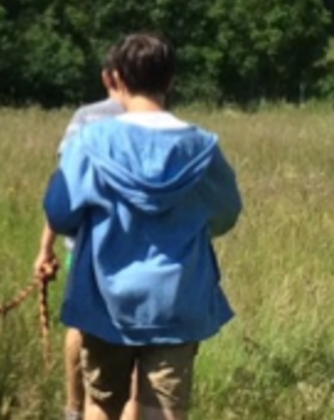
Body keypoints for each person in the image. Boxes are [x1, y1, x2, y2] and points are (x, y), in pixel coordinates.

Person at [37, 32, 243, 420]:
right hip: (177, 300)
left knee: (101, 404)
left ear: (114, 78)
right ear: (171, 81)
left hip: (105, 300)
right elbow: (226, 212)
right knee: (161, 410)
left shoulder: (90, 141)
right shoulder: (201, 146)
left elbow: (61, 214)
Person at [36, 98, 129, 420]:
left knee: (81, 323)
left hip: (87, 247)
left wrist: (45, 248)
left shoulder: (87, 117)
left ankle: (74, 410)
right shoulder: (161, 117)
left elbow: (66, 184)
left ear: (111, 75)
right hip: (143, 252)